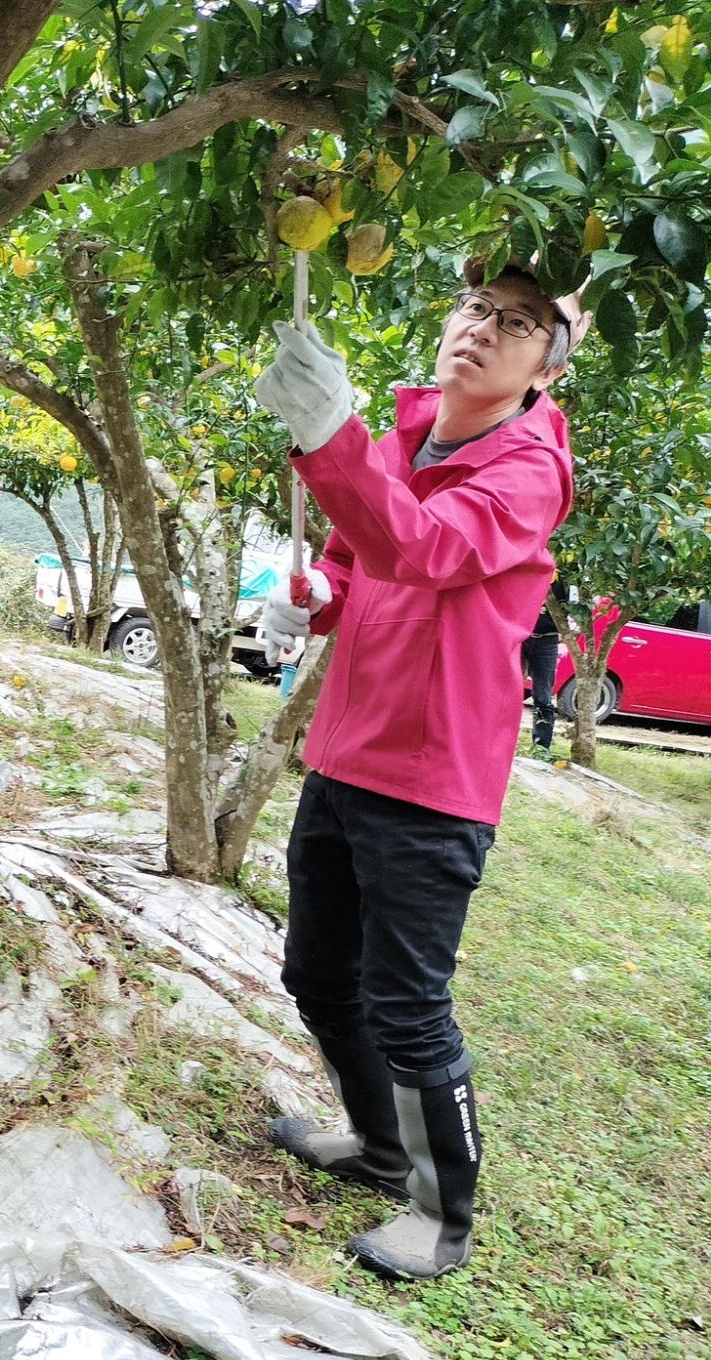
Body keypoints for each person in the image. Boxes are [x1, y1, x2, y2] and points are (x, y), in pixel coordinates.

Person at [251, 260, 588, 1279]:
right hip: (346, 753)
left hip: (430, 780)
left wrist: (327, 440)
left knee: (404, 1003)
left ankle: (441, 1218)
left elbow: (428, 550)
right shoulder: (407, 438)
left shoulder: (527, 470)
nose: (482, 329)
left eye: (518, 323)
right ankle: (376, 1144)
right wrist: (315, 592)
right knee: (314, 971)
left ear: (545, 369)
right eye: (475, 308)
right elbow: (365, 566)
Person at [521, 579, 568, 754]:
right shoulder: (529, 567)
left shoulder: (566, 577)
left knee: (542, 695)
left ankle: (541, 748)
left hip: (547, 640)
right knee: (507, 691)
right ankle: (498, 741)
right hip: (521, 635)